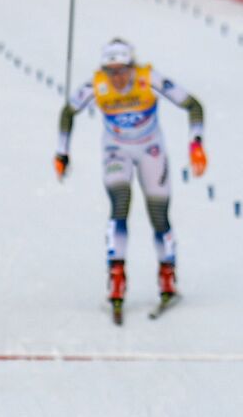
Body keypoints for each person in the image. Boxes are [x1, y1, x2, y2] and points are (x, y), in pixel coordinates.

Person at [56, 38, 206, 322]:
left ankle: (167, 276)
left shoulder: (149, 78)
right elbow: (68, 112)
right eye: (111, 72)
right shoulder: (96, 85)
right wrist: (62, 153)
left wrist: (196, 143)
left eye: (122, 70)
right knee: (120, 204)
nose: (118, 78)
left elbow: (193, 105)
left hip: (151, 149)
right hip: (117, 151)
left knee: (158, 215)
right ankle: (116, 277)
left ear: (131, 66)